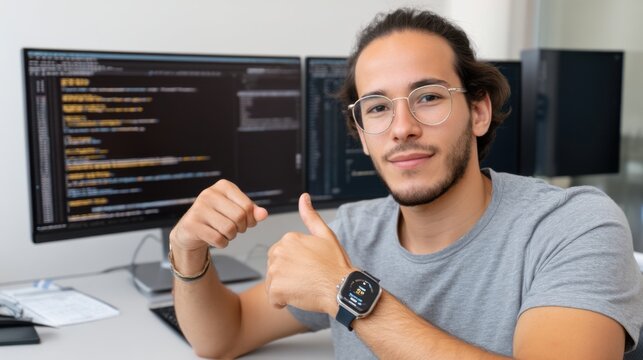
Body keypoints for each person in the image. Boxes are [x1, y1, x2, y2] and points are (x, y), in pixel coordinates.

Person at [169, 8, 643, 359]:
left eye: (429, 96)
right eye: (377, 107)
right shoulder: (352, 234)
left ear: (478, 112)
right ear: (362, 135)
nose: (402, 127)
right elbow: (223, 335)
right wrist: (187, 251)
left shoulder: (573, 226)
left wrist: (348, 292)